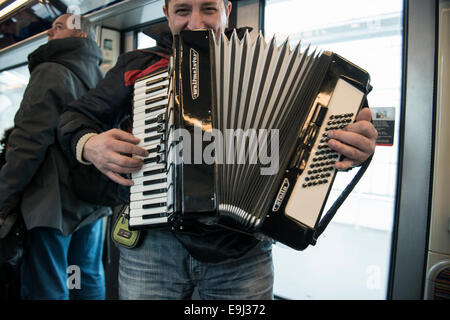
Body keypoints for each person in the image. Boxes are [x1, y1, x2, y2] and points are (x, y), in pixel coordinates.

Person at [57, 0, 378, 300]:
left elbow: (321, 141)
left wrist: (351, 148)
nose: (195, 22)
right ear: (167, 14)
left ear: (226, 10)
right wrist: (90, 145)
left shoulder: (263, 63)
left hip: (243, 252)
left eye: (208, 8)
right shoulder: (139, 66)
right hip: (153, 247)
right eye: (182, 10)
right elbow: (75, 118)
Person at [0, 13, 111, 300]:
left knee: (48, 285)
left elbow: (28, 143)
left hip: (52, 204)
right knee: (83, 278)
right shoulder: (101, 78)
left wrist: (4, 198)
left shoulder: (50, 70)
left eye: (58, 28)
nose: (49, 33)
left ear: (81, 35)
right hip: (91, 202)